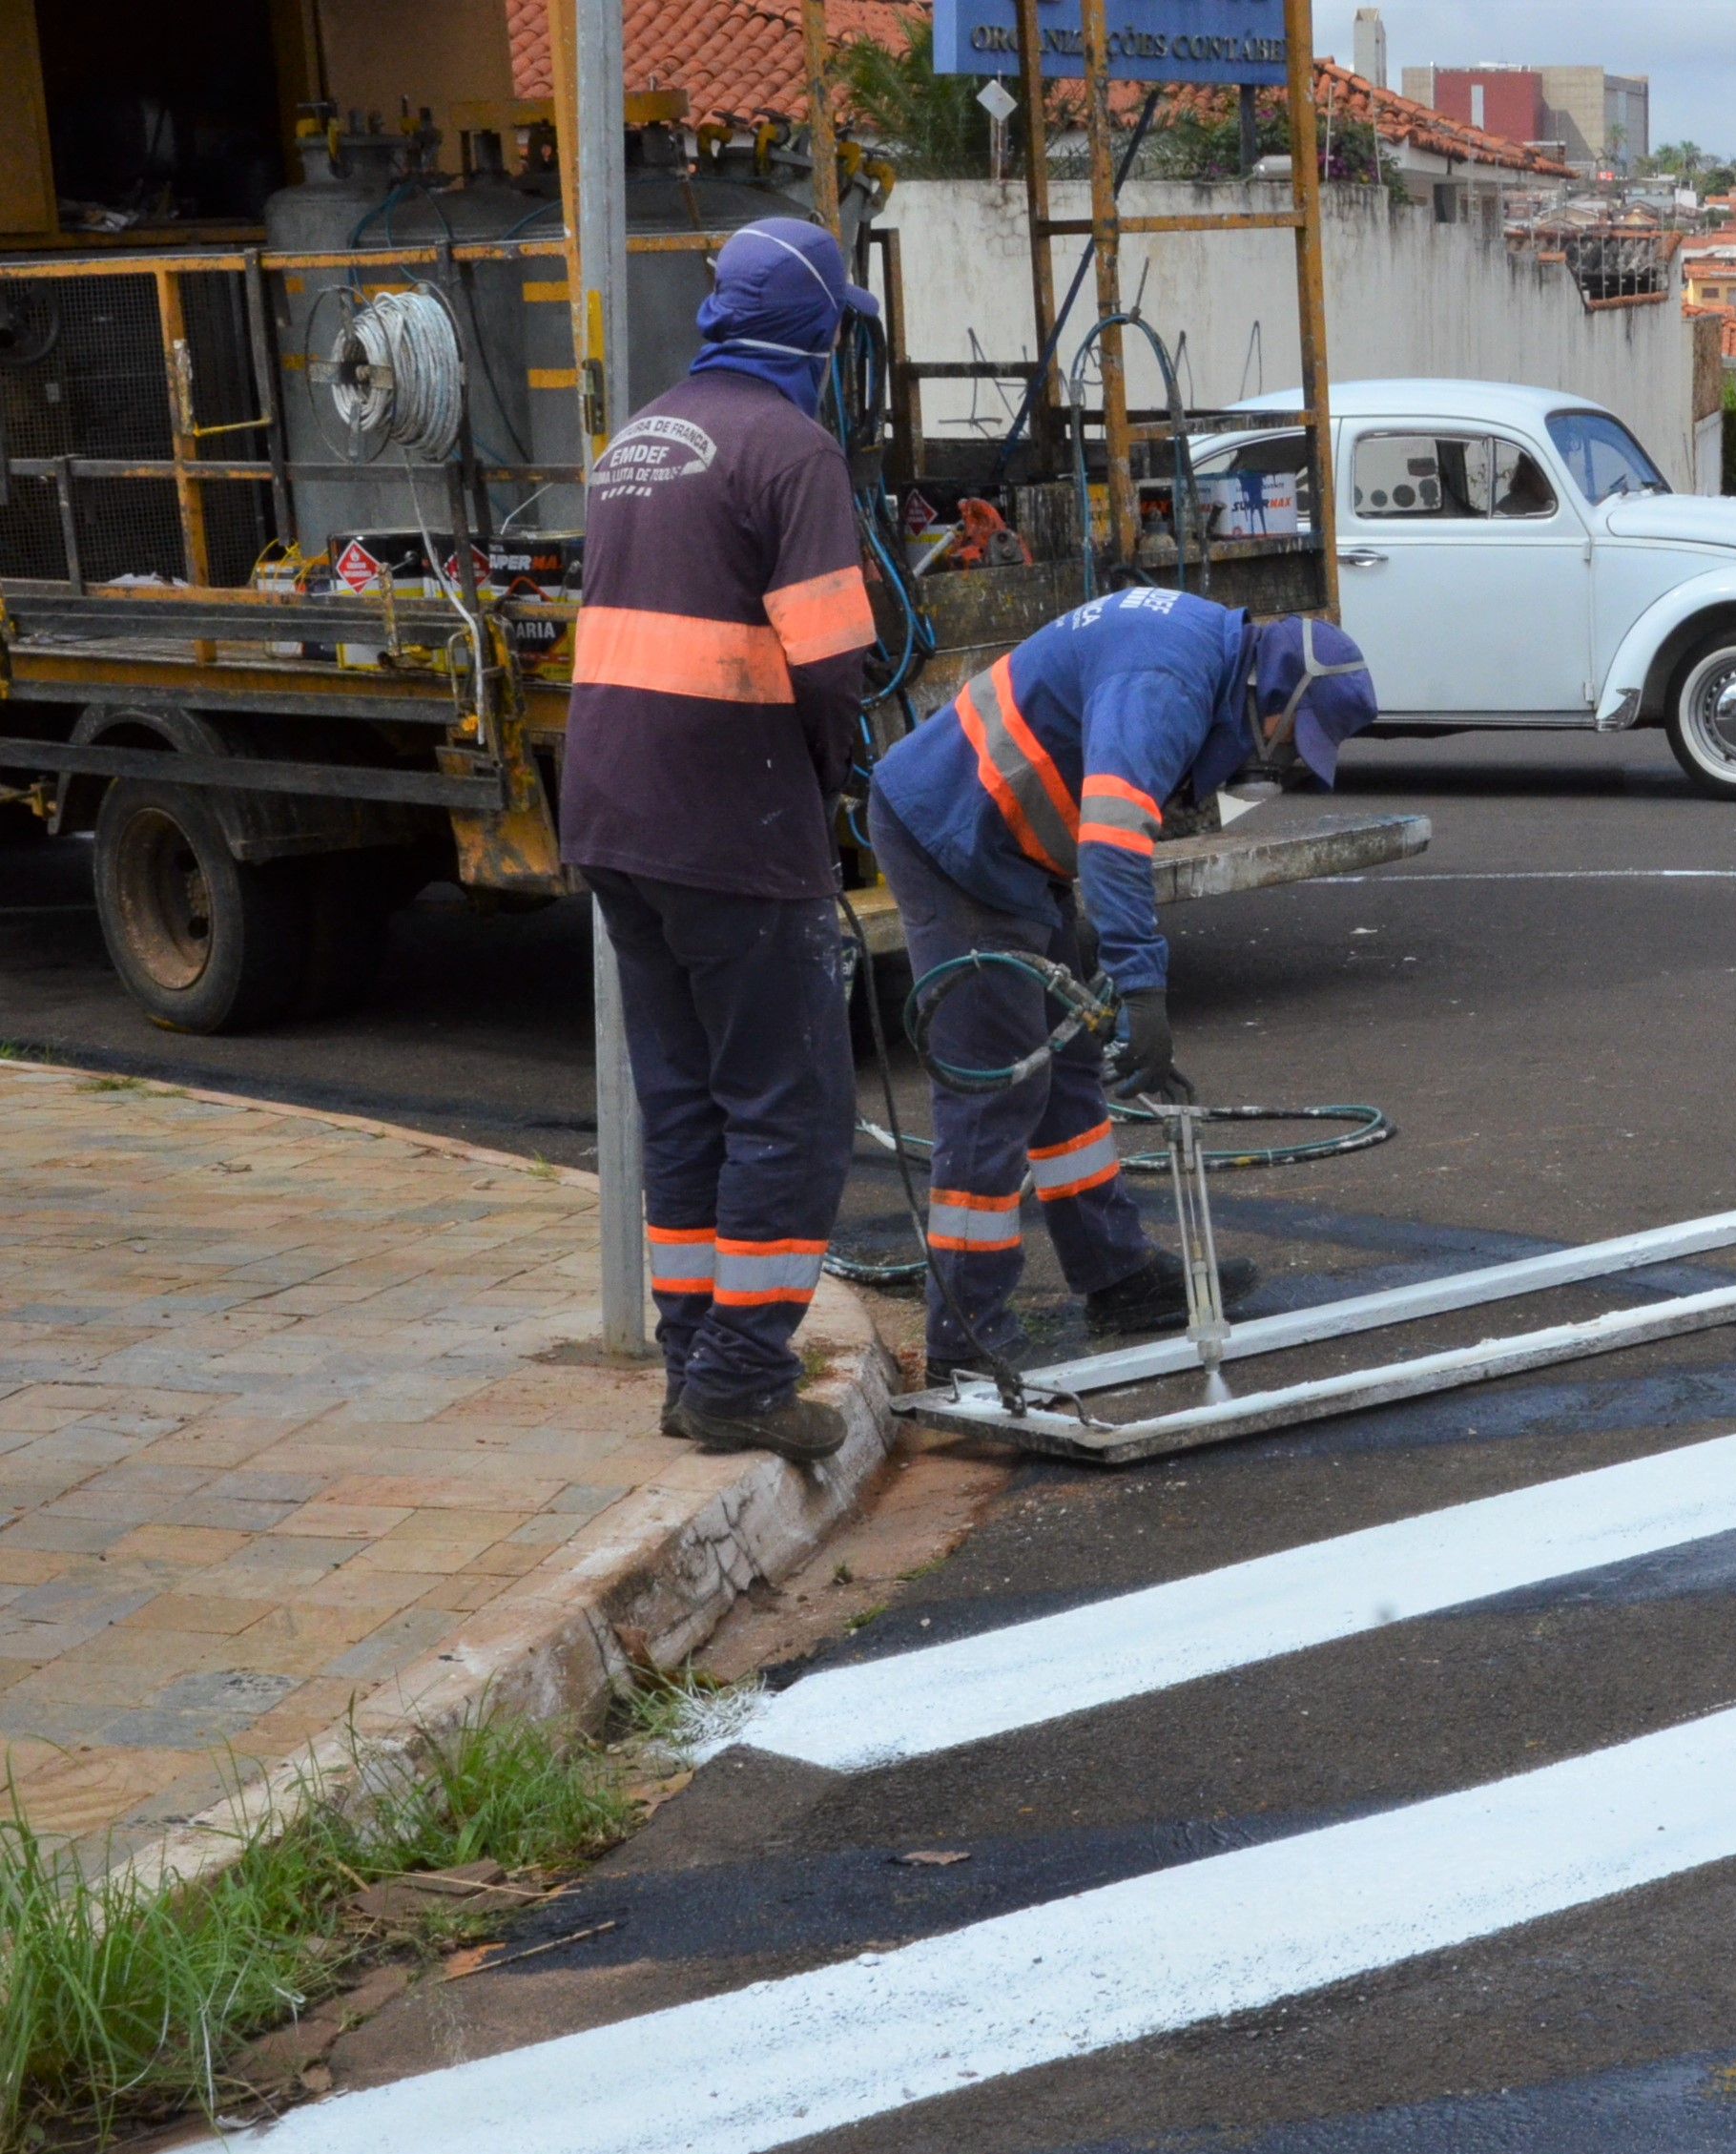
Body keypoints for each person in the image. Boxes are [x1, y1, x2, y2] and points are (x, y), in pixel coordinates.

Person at [866, 592, 1377, 1377]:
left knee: (1067, 1062)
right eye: (1291, 742)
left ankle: (1114, 1274)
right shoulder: (1167, 680)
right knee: (993, 1090)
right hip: (952, 841)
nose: (1280, 763)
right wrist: (1142, 987)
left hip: (1004, 845)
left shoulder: (1199, 655)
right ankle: (964, 1337)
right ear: (1274, 697)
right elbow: (1111, 839)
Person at [560, 218, 880, 1460]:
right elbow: (832, 666)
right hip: (729, 821)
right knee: (791, 1108)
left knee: (685, 1102)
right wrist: (826, 787)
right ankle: (742, 1379)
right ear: (819, 332)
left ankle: (691, 1361)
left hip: (613, 820)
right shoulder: (793, 452)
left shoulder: (634, 443)